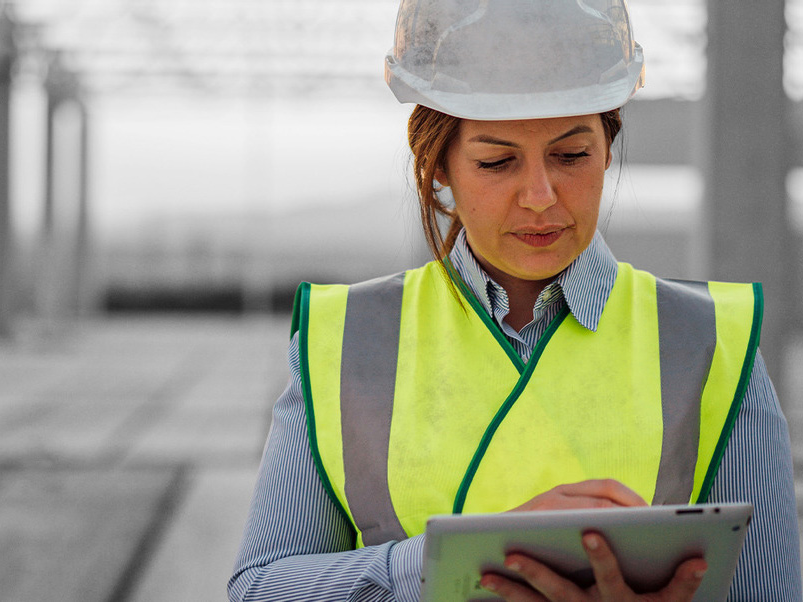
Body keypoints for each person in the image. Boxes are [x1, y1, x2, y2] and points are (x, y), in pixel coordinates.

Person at [228, 1, 802, 601]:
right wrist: (461, 564)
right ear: (437, 167)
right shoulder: (342, 342)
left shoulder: (710, 345)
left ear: (608, 147)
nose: (539, 195)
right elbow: (261, 589)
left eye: (572, 155)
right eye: (497, 162)